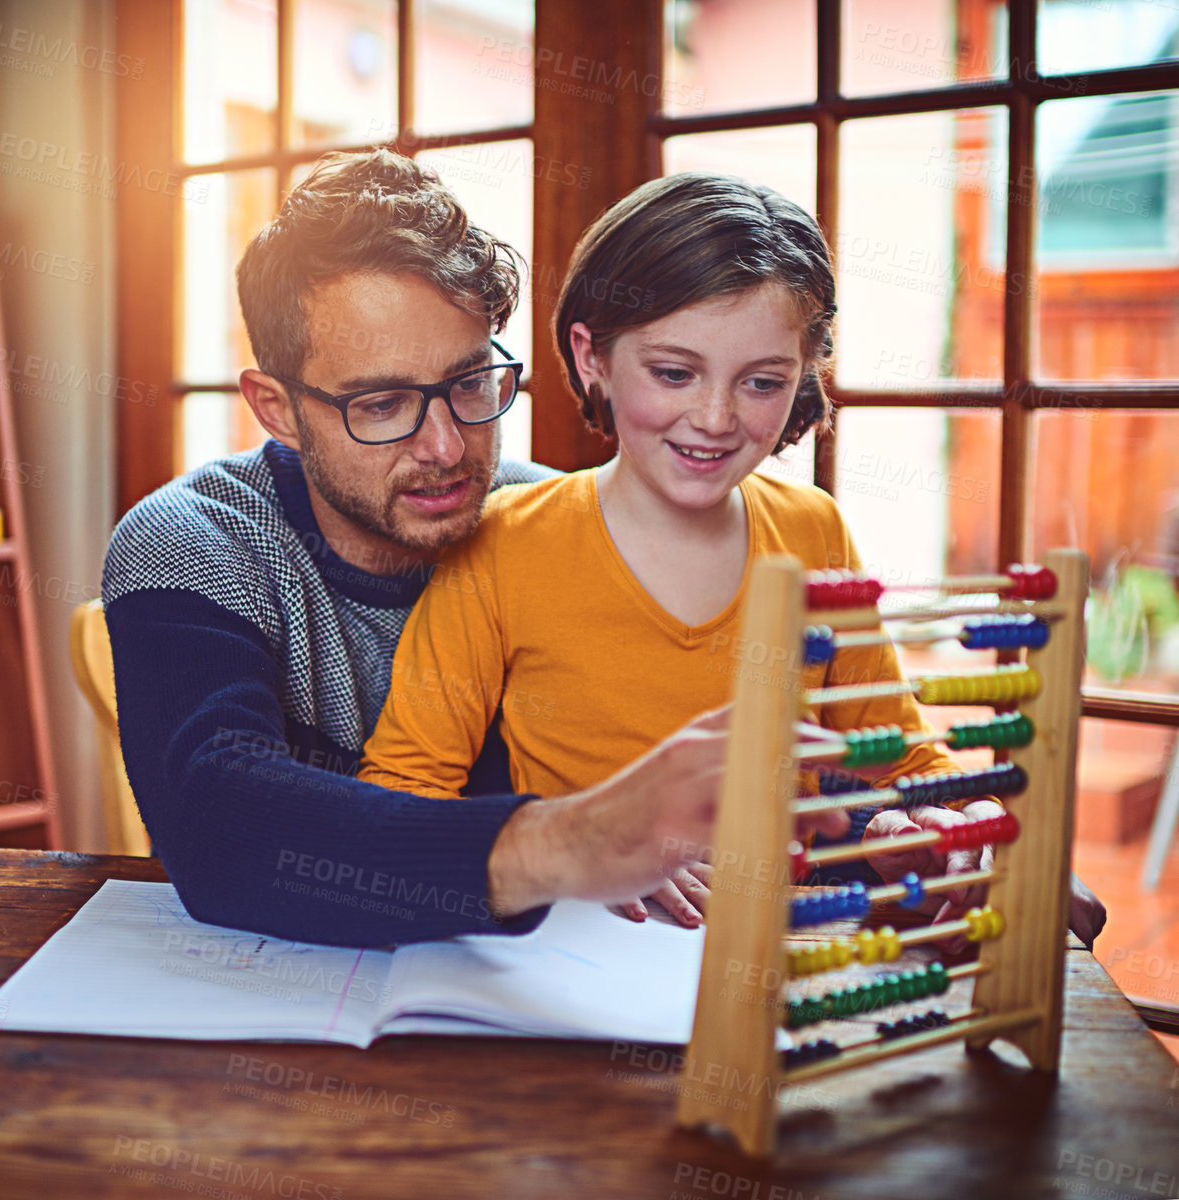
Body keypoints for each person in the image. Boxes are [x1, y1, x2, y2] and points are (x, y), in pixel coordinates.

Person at [100, 151, 831, 948]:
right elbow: (219, 829)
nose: (447, 447)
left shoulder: (544, 524)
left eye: (470, 383)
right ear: (276, 409)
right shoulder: (193, 542)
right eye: (380, 404)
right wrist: (570, 845)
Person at [358, 171, 1107, 947]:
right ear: (592, 359)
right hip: (578, 954)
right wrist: (595, 854)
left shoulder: (813, 533)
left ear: (801, 378)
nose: (714, 419)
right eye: (674, 373)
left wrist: (953, 822)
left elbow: (897, 753)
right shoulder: (502, 544)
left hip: (774, 960)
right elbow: (401, 794)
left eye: (760, 382)